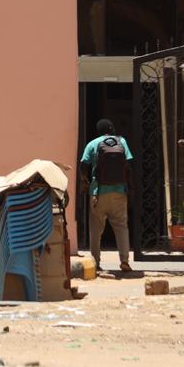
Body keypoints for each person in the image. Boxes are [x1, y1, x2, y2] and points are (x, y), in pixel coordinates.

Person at [78, 118, 133, 275]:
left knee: (96, 229)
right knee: (121, 226)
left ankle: (95, 263)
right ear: (111, 128)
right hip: (119, 192)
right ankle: (124, 261)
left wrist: (85, 181)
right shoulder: (122, 141)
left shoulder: (93, 144)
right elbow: (128, 164)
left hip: (98, 193)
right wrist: (129, 187)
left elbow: (83, 165)